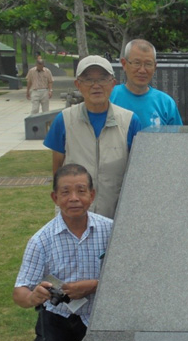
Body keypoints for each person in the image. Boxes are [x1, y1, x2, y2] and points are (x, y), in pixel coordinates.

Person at [13, 164, 113, 341]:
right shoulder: (41, 240)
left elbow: (128, 277)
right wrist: (33, 297)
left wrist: (94, 285)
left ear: (92, 194)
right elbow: (20, 291)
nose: (74, 198)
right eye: (66, 192)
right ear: (55, 198)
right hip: (57, 315)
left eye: (81, 190)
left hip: (99, 315)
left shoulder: (110, 230)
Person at [44, 55, 142, 219]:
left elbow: (138, 173)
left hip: (116, 215)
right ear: (78, 85)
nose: (96, 86)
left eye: (103, 79)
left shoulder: (130, 121)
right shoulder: (64, 120)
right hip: (75, 216)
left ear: (113, 83)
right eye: (88, 80)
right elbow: (57, 170)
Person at [110, 39, 183, 129]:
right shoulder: (109, 97)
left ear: (155, 67)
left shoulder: (166, 103)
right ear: (124, 64)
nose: (142, 70)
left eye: (148, 64)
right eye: (137, 63)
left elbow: (178, 139)